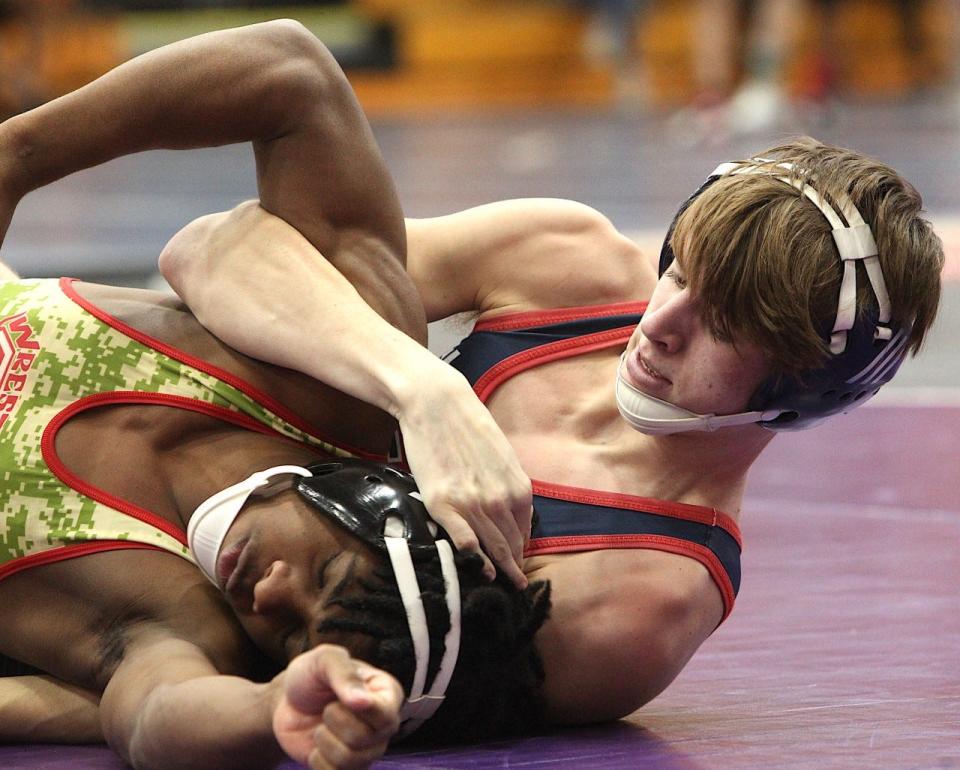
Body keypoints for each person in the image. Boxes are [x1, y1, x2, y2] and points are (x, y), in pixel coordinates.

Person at [0, 20, 550, 769]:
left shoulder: (178, 621)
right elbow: (291, 75)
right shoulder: (329, 390)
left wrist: (271, 705)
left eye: (291, 639)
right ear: (369, 497)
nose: (270, 596)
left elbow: (157, 712)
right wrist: (17, 156)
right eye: (325, 574)